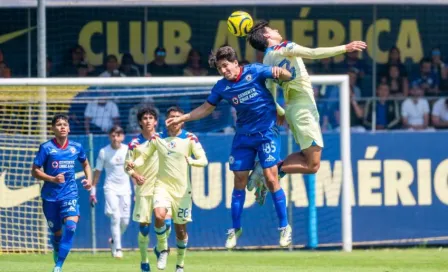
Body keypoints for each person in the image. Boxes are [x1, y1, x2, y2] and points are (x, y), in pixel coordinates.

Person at [165, 46, 294, 249]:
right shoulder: (222, 87)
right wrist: (184, 117)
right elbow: (207, 108)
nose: (223, 70)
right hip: (243, 137)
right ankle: (235, 229)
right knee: (239, 180)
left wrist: (282, 73)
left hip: (267, 133)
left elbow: (287, 75)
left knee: (271, 177)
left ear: (235, 63)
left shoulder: (255, 71)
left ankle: (284, 227)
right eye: (219, 68)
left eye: (225, 66)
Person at [246, 20, 367, 202]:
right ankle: (267, 169)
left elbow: (269, 93)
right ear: (266, 35)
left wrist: (280, 111)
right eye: (272, 29)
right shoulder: (284, 47)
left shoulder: (266, 60)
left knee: (306, 157)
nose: (277, 30)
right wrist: (345, 47)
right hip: (303, 110)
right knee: (313, 165)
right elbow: (313, 53)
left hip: (294, 110)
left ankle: (269, 171)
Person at [127, 106, 208, 272]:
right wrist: (134, 165)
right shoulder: (158, 138)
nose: (176, 119)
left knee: (180, 230)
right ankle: (162, 248)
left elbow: (203, 160)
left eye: (179, 117)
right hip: (162, 186)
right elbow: (144, 157)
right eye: (172, 117)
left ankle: (180, 265)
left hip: (182, 191)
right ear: (167, 120)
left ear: (183, 120)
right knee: (159, 215)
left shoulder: (190, 138)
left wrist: (192, 161)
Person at [31, 114, 92, 272]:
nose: (62, 127)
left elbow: (86, 164)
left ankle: (58, 266)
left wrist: (89, 180)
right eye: (58, 124)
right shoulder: (46, 148)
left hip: (70, 194)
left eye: (65, 124)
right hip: (50, 197)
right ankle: (57, 249)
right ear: (53, 128)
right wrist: (52, 178)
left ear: (69, 128)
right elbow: (35, 171)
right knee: (57, 233)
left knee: (71, 227)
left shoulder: (76, 147)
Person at [124, 107, 173, 272]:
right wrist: (135, 175)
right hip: (144, 189)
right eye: (145, 118)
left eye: (151, 118)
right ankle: (144, 261)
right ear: (140, 122)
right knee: (144, 227)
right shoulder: (134, 144)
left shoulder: (162, 139)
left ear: (156, 121)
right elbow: (127, 167)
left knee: (166, 222)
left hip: (163, 188)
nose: (148, 120)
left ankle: (160, 248)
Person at [90, 126, 131, 258]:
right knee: (115, 216)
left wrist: (137, 190)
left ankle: (114, 240)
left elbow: (133, 171)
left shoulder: (128, 150)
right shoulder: (104, 152)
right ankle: (118, 249)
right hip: (110, 188)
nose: (115, 138)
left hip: (125, 189)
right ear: (109, 137)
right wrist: (93, 191)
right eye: (113, 135)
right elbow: (97, 173)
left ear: (122, 137)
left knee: (125, 221)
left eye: (118, 135)